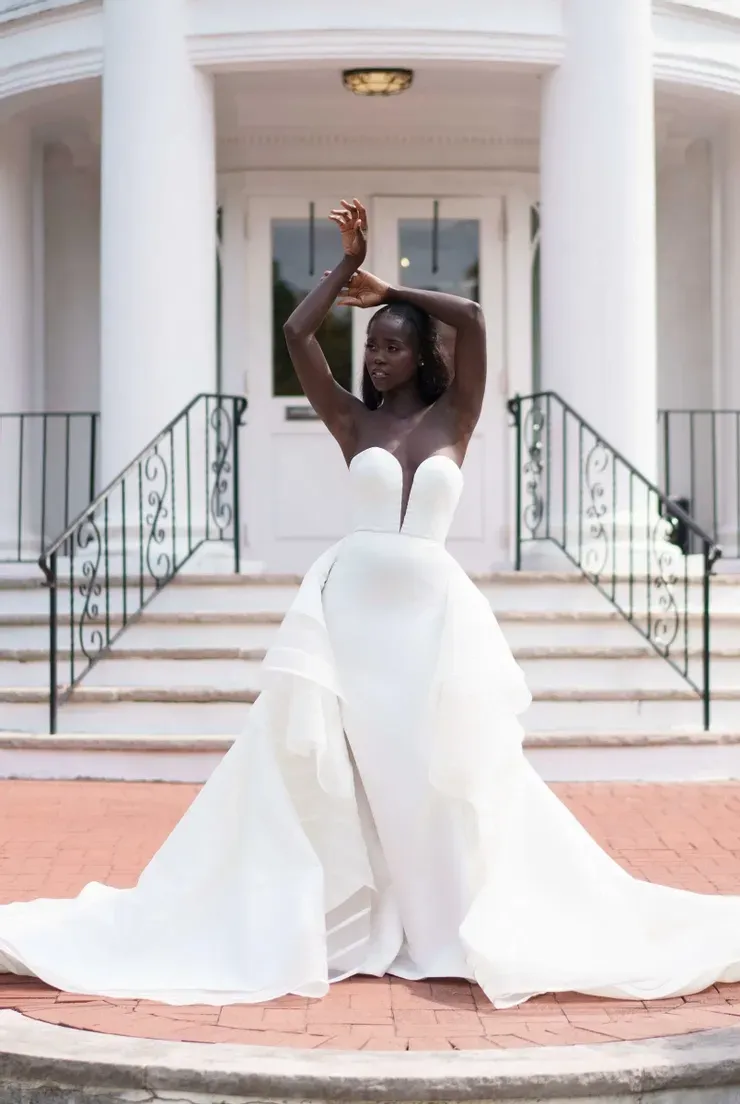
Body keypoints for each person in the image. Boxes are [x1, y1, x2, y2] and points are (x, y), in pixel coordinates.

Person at [1, 199, 740, 1009]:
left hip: (432, 631)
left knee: (435, 775)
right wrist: (346, 269)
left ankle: (444, 922)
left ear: (424, 355)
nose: (379, 357)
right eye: (374, 346)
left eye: (393, 347)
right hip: (349, 625)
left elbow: (476, 317)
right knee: (345, 772)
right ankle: (347, 921)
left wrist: (398, 289)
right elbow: (295, 338)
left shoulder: (456, 417)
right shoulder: (352, 422)